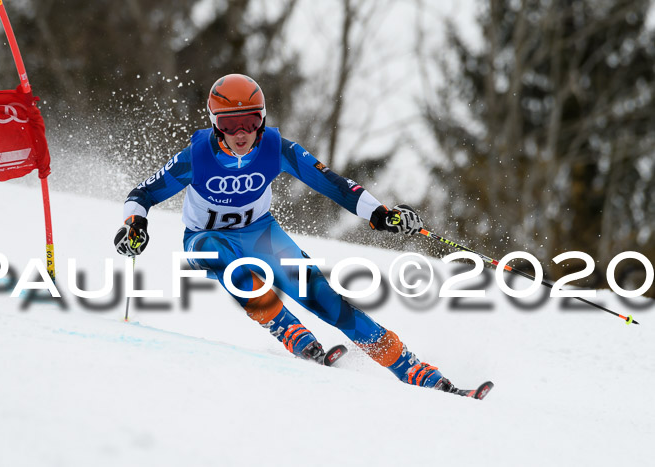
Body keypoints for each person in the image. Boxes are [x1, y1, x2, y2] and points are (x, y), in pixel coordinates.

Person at [114, 73, 454, 392]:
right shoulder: (197, 157)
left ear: (262, 119)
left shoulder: (277, 149)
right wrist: (135, 224)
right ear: (215, 124)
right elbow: (142, 195)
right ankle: (292, 333)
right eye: (229, 124)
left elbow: (336, 186)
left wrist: (380, 214)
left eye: (250, 122)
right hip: (205, 236)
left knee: (324, 298)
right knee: (221, 256)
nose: (241, 133)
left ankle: (412, 369)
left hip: (261, 233)